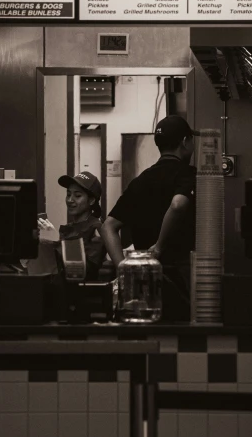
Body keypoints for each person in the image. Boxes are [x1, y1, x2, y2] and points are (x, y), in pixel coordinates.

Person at [101, 115, 196, 317]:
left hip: (145, 282)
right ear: (186, 142)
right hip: (181, 277)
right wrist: (159, 247)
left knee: (150, 334)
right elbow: (178, 205)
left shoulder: (140, 181)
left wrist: (124, 271)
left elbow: (108, 226)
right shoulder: (187, 175)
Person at [56, 171, 106, 280]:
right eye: (68, 194)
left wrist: (55, 245)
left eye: (77, 195)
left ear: (91, 200)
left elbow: (84, 270)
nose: (70, 200)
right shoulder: (70, 227)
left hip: (83, 292)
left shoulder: (97, 228)